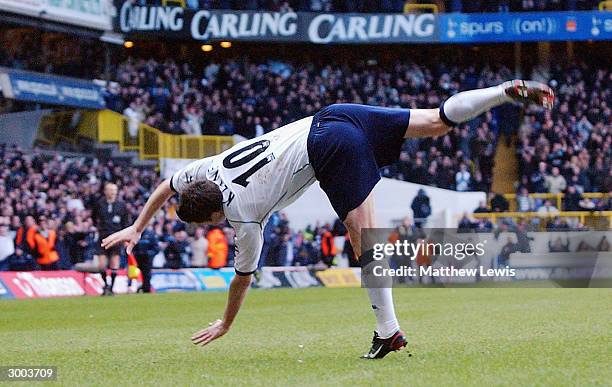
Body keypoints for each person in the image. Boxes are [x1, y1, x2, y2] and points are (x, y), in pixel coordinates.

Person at [102, 80, 554, 359]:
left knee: (366, 245)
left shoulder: (243, 218)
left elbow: (242, 278)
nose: (216, 228)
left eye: (209, 223)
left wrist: (226, 324)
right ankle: (500, 92)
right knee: (436, 120)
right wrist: (137, 226)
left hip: (327, 149)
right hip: (333, 115)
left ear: (216, 213)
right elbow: (168, 186)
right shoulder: (205, 169)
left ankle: (388, 331)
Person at [93, 183, 130, 295]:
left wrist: (124, 238)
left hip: (116, 237)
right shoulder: (99, 204)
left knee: (114, 262)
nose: (113, 192)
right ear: (105, 191)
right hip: (103, 236)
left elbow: (125, 222)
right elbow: (94, 217)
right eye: (110, 190)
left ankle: (111, 288)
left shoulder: (121, 205)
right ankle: (105, 284)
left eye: (114, 190)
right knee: (102, 265)